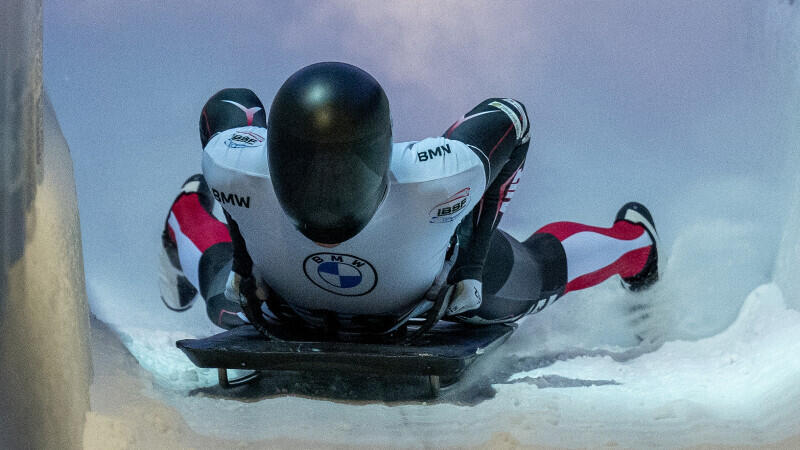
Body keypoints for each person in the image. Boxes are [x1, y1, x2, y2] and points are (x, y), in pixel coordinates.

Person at [159, 62, 659, 337]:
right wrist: (246, 260)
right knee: (533, 273)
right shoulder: (436, 177)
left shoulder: (233, 165)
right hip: (393, 287)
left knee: (537, 271)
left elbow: (225, 105)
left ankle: (637, 241)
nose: (326, 191)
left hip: (313, 288)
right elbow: (511, 119)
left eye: (341, 169)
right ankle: (636, 244)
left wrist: (470, 262)